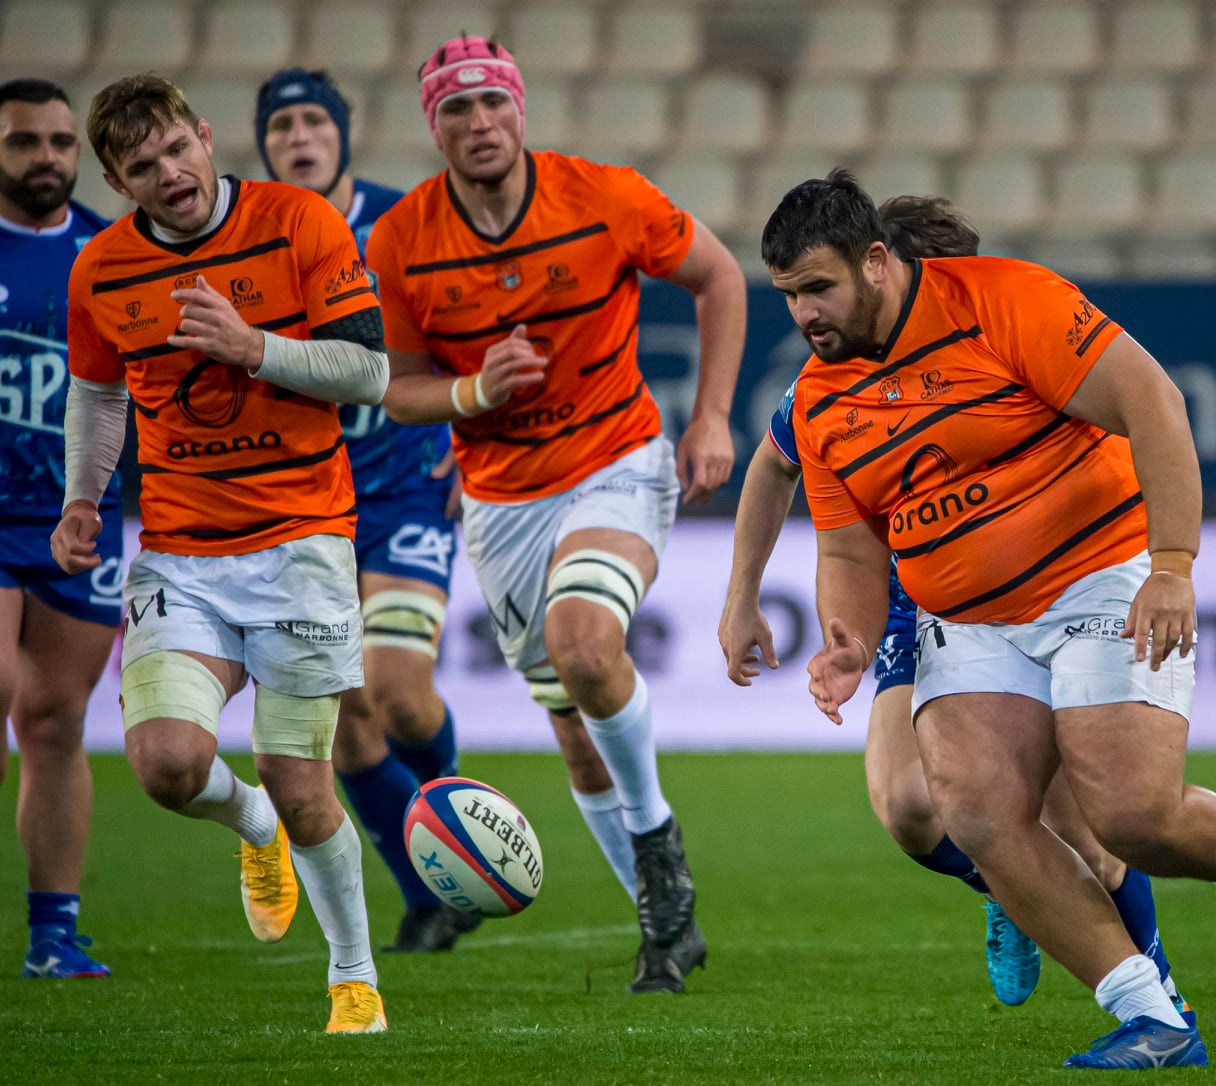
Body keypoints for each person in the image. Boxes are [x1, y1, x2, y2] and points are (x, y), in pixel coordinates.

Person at [765, 171, 1216, 1069]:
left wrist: (1173, 566)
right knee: (975, 812)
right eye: (789, 295)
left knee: (1130, 817)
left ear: (875, 262)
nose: (804, 313)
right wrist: (843, 636)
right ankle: (1152, 1018)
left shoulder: (1008, 301)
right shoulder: (819, 399)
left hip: (1096, 577)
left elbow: (1153, 402)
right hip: (965, 618)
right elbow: (847, 551)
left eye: (817, 287)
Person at [719, 194, 1182, 1011]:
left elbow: (1130, 414)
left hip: (1048, 586)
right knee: (908, 808)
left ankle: (1152, 993)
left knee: (1088, 831)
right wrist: (741, 595)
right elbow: (772, 468)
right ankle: (1008, 893)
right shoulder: (834, 380)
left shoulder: (999, 333)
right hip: (915, 598)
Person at [368, 37, 745, 993]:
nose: (479, 122)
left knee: (585, 648)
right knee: (574, 730)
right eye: (457, 108)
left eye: (493, 102)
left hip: (616, 462)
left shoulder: (604, 196)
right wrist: (473, 391)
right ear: (434, 125)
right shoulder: (403, 240)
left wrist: (708, 416)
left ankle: (658, 845)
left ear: (520, 110)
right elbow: (398, 390)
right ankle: (666, 931)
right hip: (499, 500)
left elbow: (721, 278)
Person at [55, 74, 389, 1032]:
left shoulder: (299, 223)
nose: (169, 175)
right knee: (163, 764)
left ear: (205, 138)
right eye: (141, 167)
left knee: (302, 779)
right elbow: (98, 393)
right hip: (181, 554)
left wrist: (255, 347)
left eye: (176, 150)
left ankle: (352, 980)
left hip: (302, 543)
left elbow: (366, 371)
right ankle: (250, 827)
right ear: (120, 184)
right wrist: (84, 498)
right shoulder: (103, 271)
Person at [255, 66, 476, 954]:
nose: (298, 138)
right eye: (281, 127)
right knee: (341, 720)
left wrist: (470, 439)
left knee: (398, 696)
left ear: (342, 132)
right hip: (302, 504)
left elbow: (466, 330)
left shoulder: (403, 225)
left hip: (404, 484)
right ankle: (431, 889)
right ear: (264, 144)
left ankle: (463, 840)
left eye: (314, 120)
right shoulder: (251, 243)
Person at [0, 77, 118, 979]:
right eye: (24, 142)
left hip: (80, 514)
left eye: (60, 142)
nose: (46, 158)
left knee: (55, 720)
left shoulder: (110, 254)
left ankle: (54, 935)